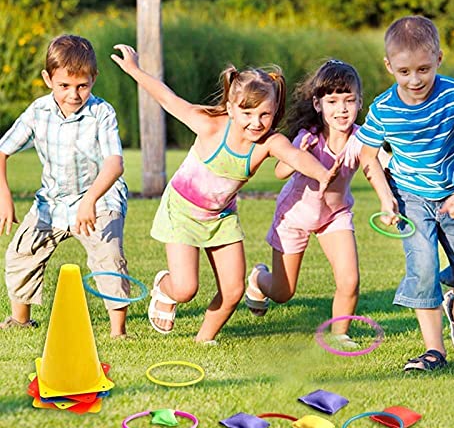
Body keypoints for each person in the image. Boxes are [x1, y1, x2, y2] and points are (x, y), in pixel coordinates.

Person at [111, 44, 340, 343]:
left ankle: (203, 340)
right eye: (247, 112)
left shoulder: (268, 143)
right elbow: (168, 98)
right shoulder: (209, 126)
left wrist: (323, 174)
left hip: (221, 218)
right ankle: (165, 289)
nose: (256, 122)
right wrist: (134, 70)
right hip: (182, 212)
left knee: (232, 291)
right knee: (185, 289)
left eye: (265, 114)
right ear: (231, 108)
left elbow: (295, 156)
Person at [356, 16, 454, 371]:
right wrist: (386, 197)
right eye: (404, 71)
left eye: (423, 68)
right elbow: (367, 154)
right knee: (422, 267)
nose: (414, 79)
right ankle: (434, 351)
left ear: (438, 59)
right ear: (389, 66)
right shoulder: (384, 108)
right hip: (410, 199)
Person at [244, 60, 389, 346]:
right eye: (332, 101)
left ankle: (340, 334)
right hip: (294, 216)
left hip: (334, 216)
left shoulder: (361, 139)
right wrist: (298, 153)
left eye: (349, 100)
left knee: (349, 280)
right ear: (318, 104)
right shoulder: (307, 137)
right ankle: (258, 278)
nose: (342, 109)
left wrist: (388, 199)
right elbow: (280, 171)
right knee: (283, 293)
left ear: (360, 103)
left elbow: (378, 165)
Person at [0, 35, 130, 338]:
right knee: (22, 252)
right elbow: (2, 150)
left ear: (93, 78)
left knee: (108, 256)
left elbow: (114, 164)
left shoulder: (102, 113)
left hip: (100, 197)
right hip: (53, 200)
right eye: (64, 86)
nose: (73, 94)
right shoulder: (38, 111)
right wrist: (4, 195)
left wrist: (90, 201)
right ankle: (20, 320)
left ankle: (118, 332)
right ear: (48, 79)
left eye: (82, 85)